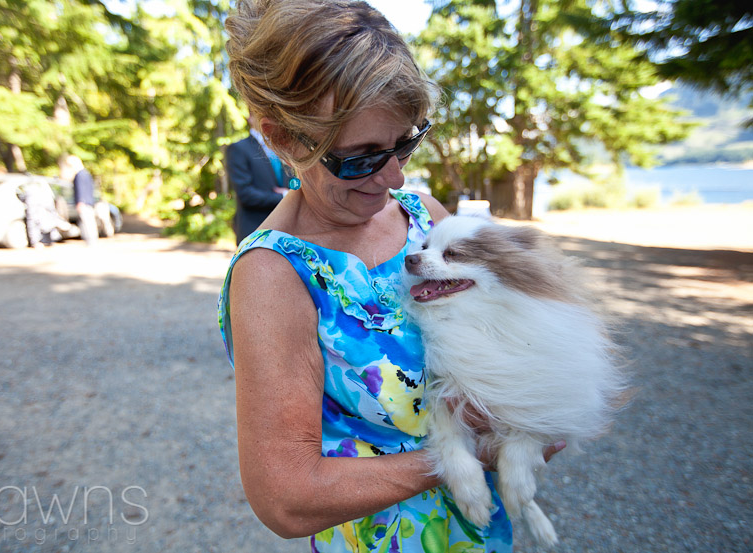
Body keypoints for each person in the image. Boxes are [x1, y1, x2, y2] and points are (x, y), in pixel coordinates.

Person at [217, 2, 564, 551]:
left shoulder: (423, 214)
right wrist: (461, 456)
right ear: (283, 139)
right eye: (361, 157)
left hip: (482, 531)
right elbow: (286, 497)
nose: (393, 176)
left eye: (405, 142)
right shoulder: (272, 275)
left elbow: (519, 326)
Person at [226, 112, 292, 243]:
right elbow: (246, 194)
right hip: (255, 230)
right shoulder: (239, 149)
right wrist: (285, 196)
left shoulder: (285, 148)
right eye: (260, 114)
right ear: (250, 118)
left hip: (286, 231)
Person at [59, 155, 98, 246]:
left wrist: (80, 202)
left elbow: (81, 189)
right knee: (88, 222)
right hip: (88, 202)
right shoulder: (86, 173)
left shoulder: (80, 175)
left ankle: (90, 241)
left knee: (87, 223)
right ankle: (91, 241)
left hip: (84, 203)